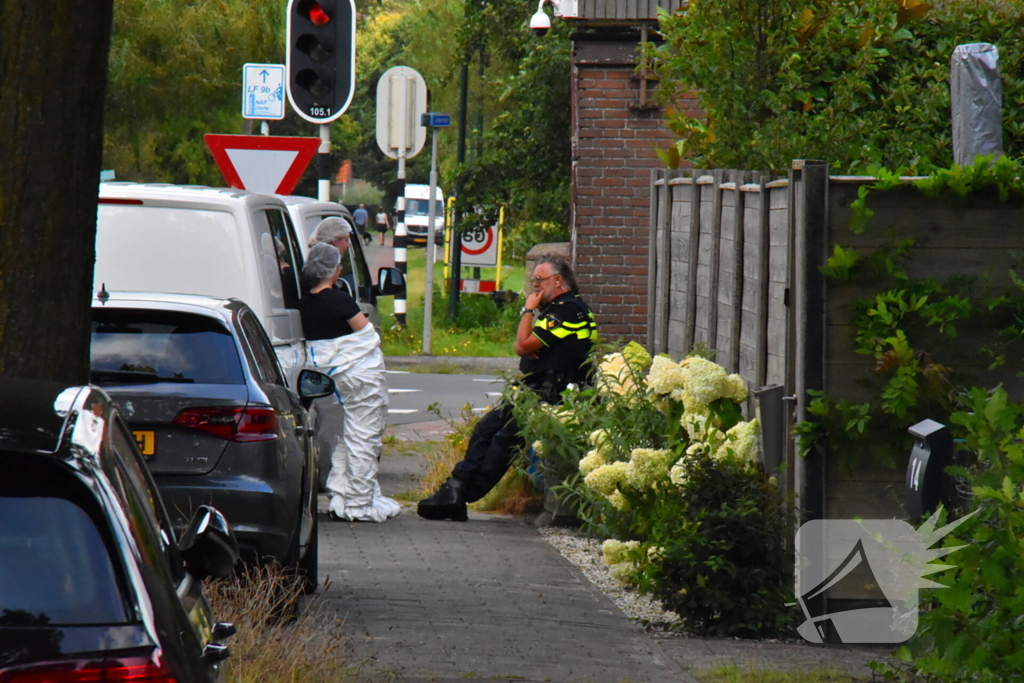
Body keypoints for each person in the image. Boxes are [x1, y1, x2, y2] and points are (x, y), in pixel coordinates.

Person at [417, 254, 597, 521]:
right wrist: (536, 349)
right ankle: (454, 488)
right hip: (534, 389)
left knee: (503, 443)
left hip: (548, 394)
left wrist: (527, 311)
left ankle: (463, 495)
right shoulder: (561, 309)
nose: (535, 285)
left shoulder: (567, 310)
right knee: (485, 428)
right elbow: (533, 349)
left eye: (540, 279)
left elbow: (523, 346)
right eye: (534, 279)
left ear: (558, 281)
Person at [299, 241, 401, 522]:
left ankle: (342, 490)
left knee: (347, 434)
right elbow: (364, 332)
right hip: (358, 378)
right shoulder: (341, 300)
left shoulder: (304, 303)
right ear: (334, 271)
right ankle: (357, 502)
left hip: (329, 378)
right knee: (363, 436)